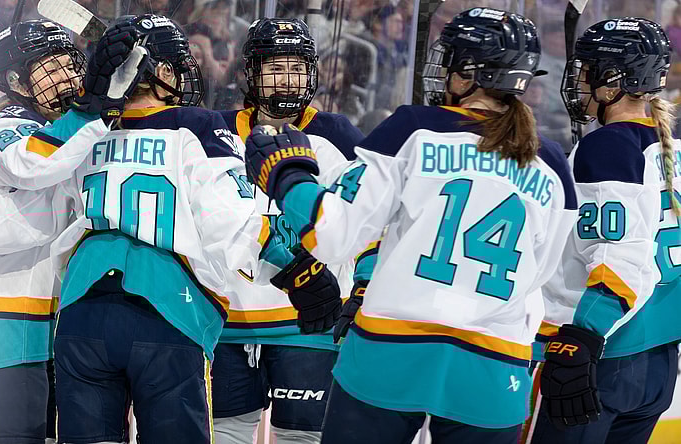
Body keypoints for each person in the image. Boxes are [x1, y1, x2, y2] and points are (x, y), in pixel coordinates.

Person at [0, 14, 342, 444]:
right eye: (176, 65)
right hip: (167, 308)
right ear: (157, 71)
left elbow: (45, 193)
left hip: (80, 311)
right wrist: (294, 267)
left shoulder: (87, 133)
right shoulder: (198, 126)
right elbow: (229, 216)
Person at [243, 8, 578, 444]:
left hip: (391, 350)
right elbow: (543, 273)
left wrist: (288, 178)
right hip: (495, 365)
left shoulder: (414, 129)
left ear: (468, 74)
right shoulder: (551, 164)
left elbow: (332, 235)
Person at [0, 19, 141, 444]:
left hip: (64, 327)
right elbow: (38, 165)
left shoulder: (83, 131)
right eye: (51, 66)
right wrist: (91, 110)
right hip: (1, 321)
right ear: (18, 82)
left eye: (71, 63)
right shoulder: (6, 125)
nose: (67, 75)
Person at [525, 17, 680, 444]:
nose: (579, 80)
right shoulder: (674, 143)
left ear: (614, 79)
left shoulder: (608, 146)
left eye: (588, 70)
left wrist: (582, 339)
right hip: (659, 363)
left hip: (599, 353)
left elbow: (618, 256)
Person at [211, 17, 363, 444]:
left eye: (296, 68)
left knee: (302, 437)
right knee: (225, 435)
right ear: (252, 74)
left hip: (309, 320)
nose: (287, 81)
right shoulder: (214, 133)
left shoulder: (338, 136)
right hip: (228, 316)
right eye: (276, 68)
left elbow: (363, 222)